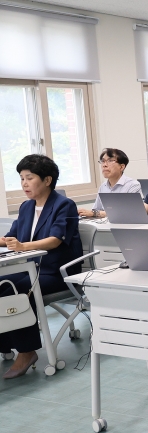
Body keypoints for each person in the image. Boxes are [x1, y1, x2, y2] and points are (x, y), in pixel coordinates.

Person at [0, 155, 82, 379]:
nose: (24, 183)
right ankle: (5, 344)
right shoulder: (26, 207)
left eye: (29, 178)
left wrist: (23, 246)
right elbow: (11, 237)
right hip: (31, 269)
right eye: (21, 178)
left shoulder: (64, 205)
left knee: (19, 291)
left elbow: (55, 240)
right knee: (2, 285)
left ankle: (27, 352)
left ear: (47, 180)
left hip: (57, 272)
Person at [79, 148, 141, 218]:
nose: (104, 165)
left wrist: (95, 213)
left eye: (110, 161)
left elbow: (129, 212)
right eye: (103, 161)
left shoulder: (132, 185)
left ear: (121, 167)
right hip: (104, 223)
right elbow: (96, 210)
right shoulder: (103, 187)